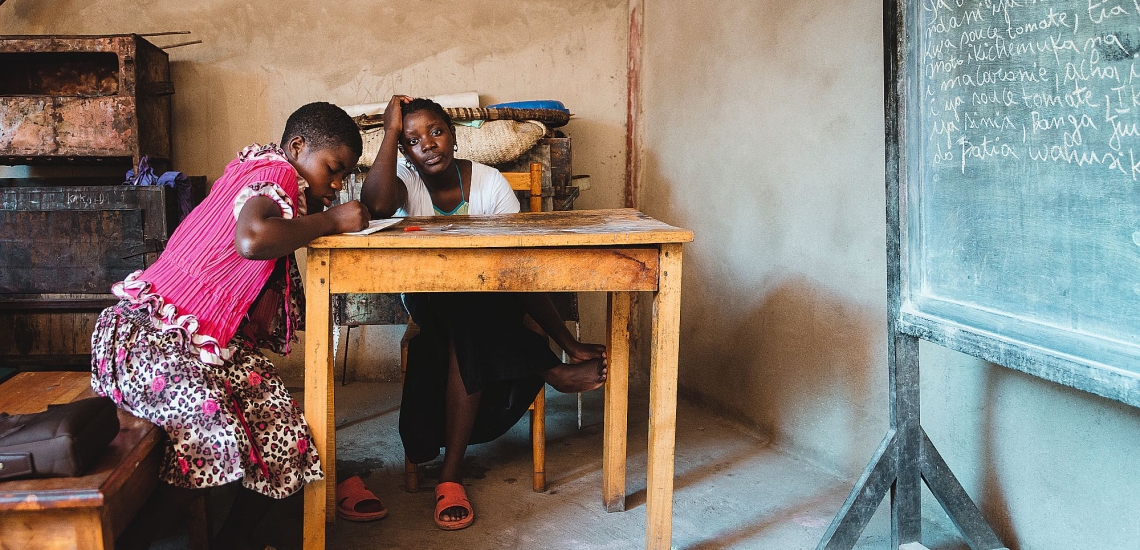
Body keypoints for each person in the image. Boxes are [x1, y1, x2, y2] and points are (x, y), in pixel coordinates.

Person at [90, 102, 377, 550]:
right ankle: (135, 540)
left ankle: (233, 541)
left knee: (285, 433)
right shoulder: (277, 172)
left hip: (200, 343)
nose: (337, 184)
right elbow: (252, 239)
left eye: (343, 176)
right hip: (150, 336)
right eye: (333, 169)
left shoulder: (263, 172)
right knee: (210, 426)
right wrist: (332, 220)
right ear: (297, 147)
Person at [360, 95, 608, 531]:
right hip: (428, 298)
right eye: (413, 139)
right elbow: (376, 206)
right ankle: (550, 370)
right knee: (459, 301)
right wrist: (389, 133)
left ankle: (450, 476)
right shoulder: (405, 184)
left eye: (436, 132)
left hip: (495, 298)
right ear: (404, 150)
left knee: (472, 309)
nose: (429, 144)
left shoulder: (490, 182)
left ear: (454, 136)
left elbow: (519, 271)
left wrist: (568, 339)